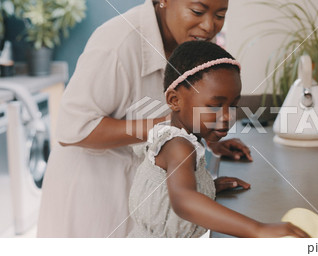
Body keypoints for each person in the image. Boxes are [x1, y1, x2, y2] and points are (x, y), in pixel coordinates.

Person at [38, 0, 251, 238]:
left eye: (220, 15)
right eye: (197, 11)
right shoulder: (117, 43)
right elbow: (73, 129)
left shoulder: (194, 41)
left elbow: (189, 104)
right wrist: (171, 128)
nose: (209, 26)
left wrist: (206, 148)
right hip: (92, 193)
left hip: (144, 196)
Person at [128, 41, 309, 238]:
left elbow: (172, 190)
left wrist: (206, 187)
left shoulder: (182, 135)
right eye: (215, 106)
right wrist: (258, 229)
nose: (227, 116)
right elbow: (183, 201)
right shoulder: (178, 145)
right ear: (174, 100)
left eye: (233, 105)